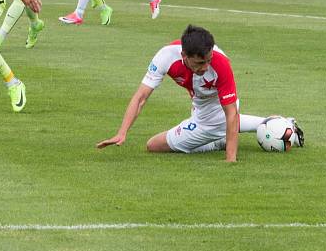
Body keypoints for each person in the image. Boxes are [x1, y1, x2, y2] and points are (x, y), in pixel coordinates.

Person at [96, 25, 304, 162]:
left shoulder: (220, 63)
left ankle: (217, 140)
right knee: (216, 122)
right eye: (199, 63)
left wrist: (230, 159)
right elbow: (141, 97)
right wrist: (122, 132)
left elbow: (231, 112)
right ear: (184, 55)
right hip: (200, 107)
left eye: (208, 60)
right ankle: (281, 124)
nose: (206, 66)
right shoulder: (165, 57)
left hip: (213, 116)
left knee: (153, 146)